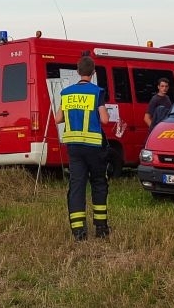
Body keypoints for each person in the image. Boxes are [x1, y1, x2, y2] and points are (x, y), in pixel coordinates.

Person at [55, 56, 110, 241]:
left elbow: (58, 119)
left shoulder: (66, 93)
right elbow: (105, 120)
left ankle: (79, 231)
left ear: (78, 72)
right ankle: (101, 228)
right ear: (93, 72)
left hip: (74, 147)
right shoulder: (97, 92)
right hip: (93, 146)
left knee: (77, 186)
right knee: (98, 183)